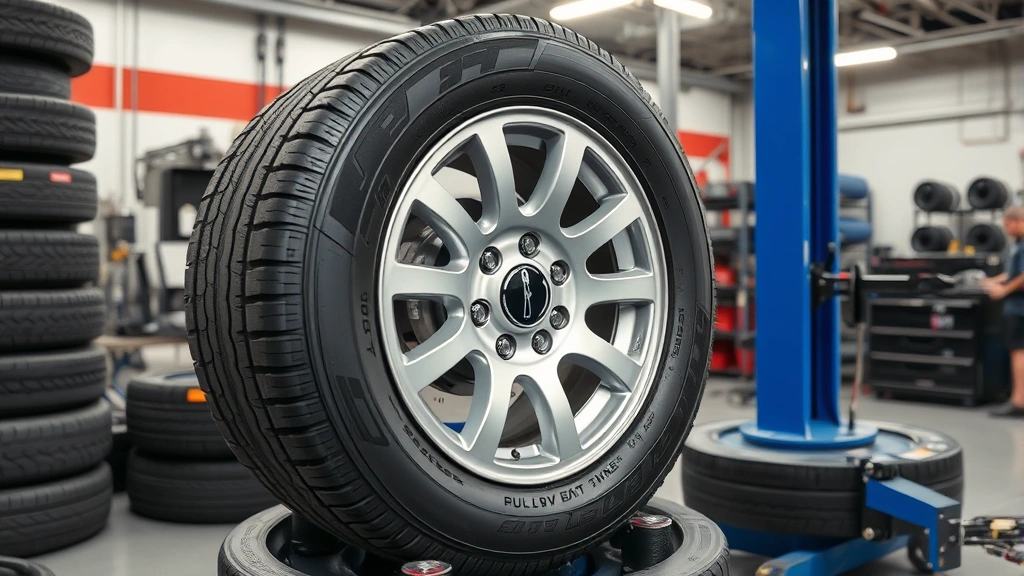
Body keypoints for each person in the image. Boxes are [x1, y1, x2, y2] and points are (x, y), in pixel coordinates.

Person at [983, 206, 1024, 417]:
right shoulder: (1018, 243)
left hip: (1019, 308)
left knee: (1018, 351)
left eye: (1007, 225)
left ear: (1017, 221)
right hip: (1017, 307)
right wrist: (993, 281)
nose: (1006, 230)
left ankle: (1019, 402)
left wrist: (1004, 290)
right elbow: (1013, 273)